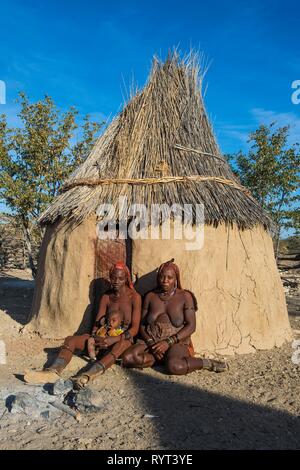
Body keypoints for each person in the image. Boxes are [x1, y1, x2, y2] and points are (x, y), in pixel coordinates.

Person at [24, 262, 141, 388]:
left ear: (127, 279)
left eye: (120, 278)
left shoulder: (134, 297)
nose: (116, 281)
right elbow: (97, 323)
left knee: (121, 345)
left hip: (121, 339)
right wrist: (95, 337)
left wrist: (114, 339)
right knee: (71, 340)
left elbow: (134, 328)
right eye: (113, 278)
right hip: (103, 337)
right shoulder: (106, 297)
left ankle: (87, 376)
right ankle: (53, 371)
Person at [122, 259, 228, 375]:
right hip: (152, 340)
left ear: (176, 279)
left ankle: (206, 363)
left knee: (175, 366)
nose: (165, 281)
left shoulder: (185, 297)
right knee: (128, 358)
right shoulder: (150, 296)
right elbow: (142, 325)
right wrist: (151, 343)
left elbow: (191, 326)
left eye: (169, 278)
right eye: (162, 277)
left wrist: (168, 342)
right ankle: (161, 358)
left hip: (176, 341)